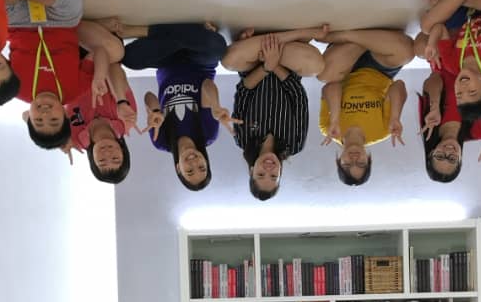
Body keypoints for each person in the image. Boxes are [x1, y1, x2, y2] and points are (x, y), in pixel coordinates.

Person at [5, 0, 125, 149]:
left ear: (30, 117)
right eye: (53, 120)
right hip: (60, 23)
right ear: (64, 114)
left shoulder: (14, 89)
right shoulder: (74, 91)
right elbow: (100, 51)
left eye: (38, 121)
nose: (45, 114)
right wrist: (99, 76)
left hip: (18, 24)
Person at [119, 22, 236, 190]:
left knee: (129, 58)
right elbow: (207, 85)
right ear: (206, 161)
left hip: (167, 61)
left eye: (189, 171)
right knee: (217, 47)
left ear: (178, 169)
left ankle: (193, 35)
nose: (194, 163)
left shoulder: (161, 141)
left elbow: (149, 96)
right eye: (201, 167)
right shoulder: (208, 135)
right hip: (200, 62)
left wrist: (155, 111)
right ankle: (154, 32)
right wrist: (216, 106)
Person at [222, 27, 325, 199]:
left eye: (261, 174)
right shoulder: (295, 144)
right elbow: (298, 96)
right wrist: (274, 64)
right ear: (280, 173)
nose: (268, 169)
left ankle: (284, 39)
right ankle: (278, 40)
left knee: (229, 60)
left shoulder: (243, 139)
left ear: (252, 170)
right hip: (286, 65)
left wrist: (266, 67)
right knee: (316, 65)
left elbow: (244, 90)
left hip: (254, 64)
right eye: (273, 176)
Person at [316, 28, 415, 186]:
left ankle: (357, 38)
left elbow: (331, 86)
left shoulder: (328, 130)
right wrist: (395, 117)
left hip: (346, 67)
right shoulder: (383, 131)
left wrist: (334, 119)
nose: (354, 158)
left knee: (324, 74)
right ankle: (361, 39)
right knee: (407, 52)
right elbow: (398, 86)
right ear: (369, 159)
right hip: (380, 69)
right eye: (361, 163)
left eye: (347, 164)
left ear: (339, 160)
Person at [419, 68, 481, 182]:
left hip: (444, 61)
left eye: (440, 156)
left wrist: (434, 106)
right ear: (460, 159)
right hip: (475, 64)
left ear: (431, 153)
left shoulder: (430, 122)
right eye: (452, 159)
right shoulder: (477, 131)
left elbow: (434, 77)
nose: (448, 151)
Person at [65, 61, 138, 184]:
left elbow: (31, 113)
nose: (107, 153)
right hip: (102, 57)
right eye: (115, 158)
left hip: (67, 65)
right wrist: (121, 101)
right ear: (123, 152)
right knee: (116, 51)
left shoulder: (73, 138)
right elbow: (114, 67)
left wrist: (57, 137)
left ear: (92, 160)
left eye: (102, 161)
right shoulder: (127, 118)